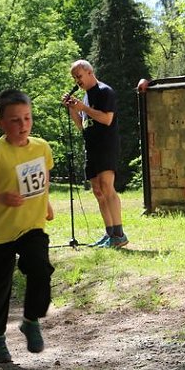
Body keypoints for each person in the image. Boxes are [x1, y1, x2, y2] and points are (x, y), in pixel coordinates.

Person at [0, 89, 55, 364]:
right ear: (0, 123)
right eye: (15, 120)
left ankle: (31, 320)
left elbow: (44, 177)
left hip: (32, 226)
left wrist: (47, 203)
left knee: (40, 269)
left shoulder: (41, 147)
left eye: (27, 118)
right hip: (1, 233)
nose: (22, 125)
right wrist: (0, 197)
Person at [64, 59, 127, 248]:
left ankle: (119, 234)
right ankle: (109, 234)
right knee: (98, 191)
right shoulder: (85, 97)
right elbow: (81, 125)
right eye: (75, 78)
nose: (77, 81)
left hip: (106, 146)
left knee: (107, 187)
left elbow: (107, 119)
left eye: (79, 76)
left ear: (90, 72)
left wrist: (83, 108)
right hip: (91, 147)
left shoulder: (104, 91)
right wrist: (73, 109)